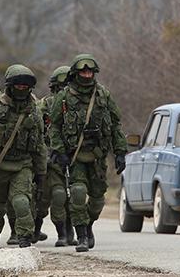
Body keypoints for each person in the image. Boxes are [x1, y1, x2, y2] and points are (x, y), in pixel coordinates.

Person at [49, 54, 127, 252]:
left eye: (89, 71)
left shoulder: (103, 95)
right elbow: (54, 126)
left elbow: (116, 124)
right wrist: (59, 151)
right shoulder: (64, 96)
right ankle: (81, 234)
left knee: (97, 200)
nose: (86, 74)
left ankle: (89, 224)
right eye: (83, 71)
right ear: (76, 73)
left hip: (97, 155)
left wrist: (120, 152)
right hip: (75, 156)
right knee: (77, 193)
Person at [0, 64, 47, 248]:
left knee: (22, 203)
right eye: (18, 85)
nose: (21, 89)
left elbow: (39, 145)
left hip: (22, 165)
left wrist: (41, 172)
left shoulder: (34, 111)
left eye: (24, 86)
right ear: (10, 86)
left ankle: (25, 241)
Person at [38, 66, 77, 246]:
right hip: (50, 158)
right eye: (60, 88)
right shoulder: (44, 105)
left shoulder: (78, 106)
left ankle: (70, 233)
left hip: (73, 156)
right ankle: (56, 232)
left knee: (71, 197)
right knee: (52, 197)